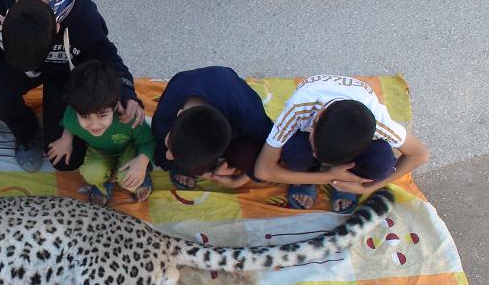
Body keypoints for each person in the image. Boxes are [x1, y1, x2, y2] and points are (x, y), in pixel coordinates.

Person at [0, 0, 145, 173]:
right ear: (7, 17)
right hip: (18, 60)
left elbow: (106, 55)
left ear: (57, 28)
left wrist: (127, 92)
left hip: (65, 76)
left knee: (65, 161)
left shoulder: (84, 20)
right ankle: (27, 131)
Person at [254, 74, 429, 213]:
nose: (315, 154)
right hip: (316, 105)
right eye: (315, 149)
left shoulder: (381, 122)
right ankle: (309, 175)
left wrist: (370, 187)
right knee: (295, 152)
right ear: (316, 119)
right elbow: (262, 170)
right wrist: (327, 176)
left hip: (350, 123)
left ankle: (346, 175)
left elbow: (419, 154)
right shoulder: (299, 108)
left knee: (382, 161)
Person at [48, 61, 155, 205]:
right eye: (85, 116)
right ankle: (104, 184)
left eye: (103, 115)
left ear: (116, 104)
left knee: (129, 181)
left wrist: (141, 163)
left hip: (129, 149)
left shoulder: (130, 117)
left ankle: (143, 179)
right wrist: (66, 139)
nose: (94, 125)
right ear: (75, 110)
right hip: (100, 150)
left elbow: (148, 142)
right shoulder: (72, 116)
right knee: (91, 174)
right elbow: (69, 123)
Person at [151, 66, 273, 191]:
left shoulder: (247, 112)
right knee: (184, 159)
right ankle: (193, 167)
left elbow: (272, 145)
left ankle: (198, 165)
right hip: (218, 126)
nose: (168, 155)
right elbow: (163, 152)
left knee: (250, 156)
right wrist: (210, 175)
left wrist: (238, 181)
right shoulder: (164, 118)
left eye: (170, 146)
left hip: (237, 125)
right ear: (179, 114)